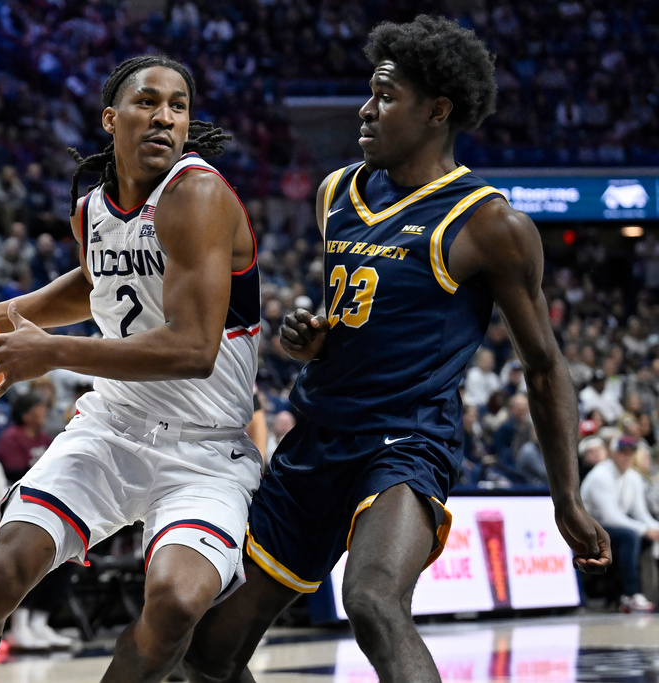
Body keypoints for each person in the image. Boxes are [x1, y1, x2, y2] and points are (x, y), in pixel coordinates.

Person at [183, 17, 610, 683]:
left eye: (385, 96)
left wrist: (567, 497)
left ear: (436, 111)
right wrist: (311, 333)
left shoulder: (490, 222)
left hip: (406, 439)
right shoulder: (337, 193)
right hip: (319, 435)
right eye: (371, 93)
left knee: (373, 601)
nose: (366, 108)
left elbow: (545, 366)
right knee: (208, 653)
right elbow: (352, 313)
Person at [0, 54, 262, 683]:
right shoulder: (92, 209)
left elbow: (192, 348)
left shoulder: (197, 194)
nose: (164, 116)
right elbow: (99, 281)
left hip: (206, 451)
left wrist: (51, 351)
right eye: (147, 102)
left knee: (178, 601)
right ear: (111, 117)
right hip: (112, 427)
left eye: (178, 106)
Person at [581, 435, 659, 613]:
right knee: (630, 537)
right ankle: (630, 594)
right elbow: (611, 517)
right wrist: (645, 529)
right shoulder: (600, 475)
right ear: (612, 454)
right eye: (623, 452)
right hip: (589, 529)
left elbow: (640, 513)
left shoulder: (633, 477)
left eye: (631, 453)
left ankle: (643, 591)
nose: (627, 456)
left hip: (612, 528)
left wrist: (654, 528)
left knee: (644, 537)